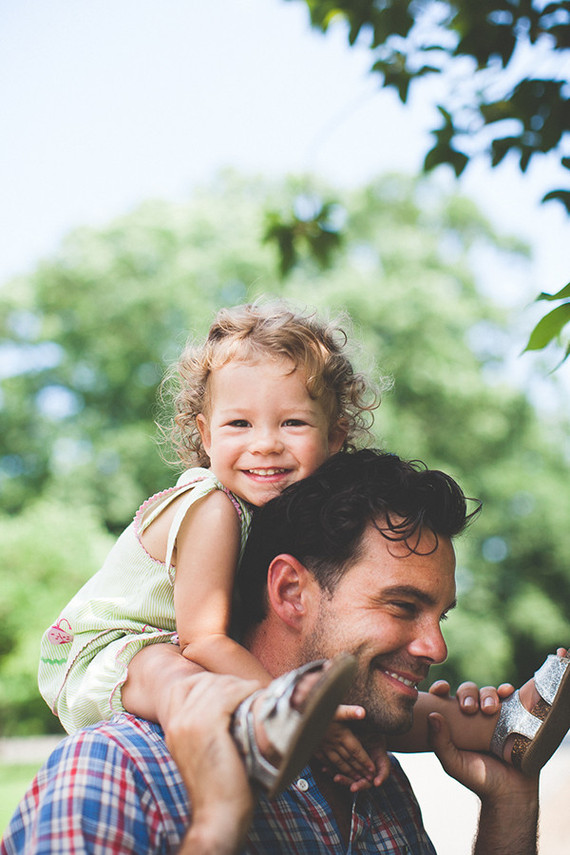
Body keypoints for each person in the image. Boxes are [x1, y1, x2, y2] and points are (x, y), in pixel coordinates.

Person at [36, 300, 506, 794]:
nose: (265, 444)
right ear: (205, 433)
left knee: (356, 701)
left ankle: (495, 727)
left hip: (198, 648)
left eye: (293, 424)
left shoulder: (281, 520)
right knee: (173, 672)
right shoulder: (212, 508)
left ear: (334, 436)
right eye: (239, 424)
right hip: (108, 652)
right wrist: (292, 705)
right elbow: (202, 641)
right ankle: (275, 722)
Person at [7, 450, 569, 854]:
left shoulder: (377, 783)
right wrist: (219, 828)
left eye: (439, 616)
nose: (437, 646)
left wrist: (511, 806)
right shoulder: (121, 770)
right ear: (289, 592)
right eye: (401, 606)